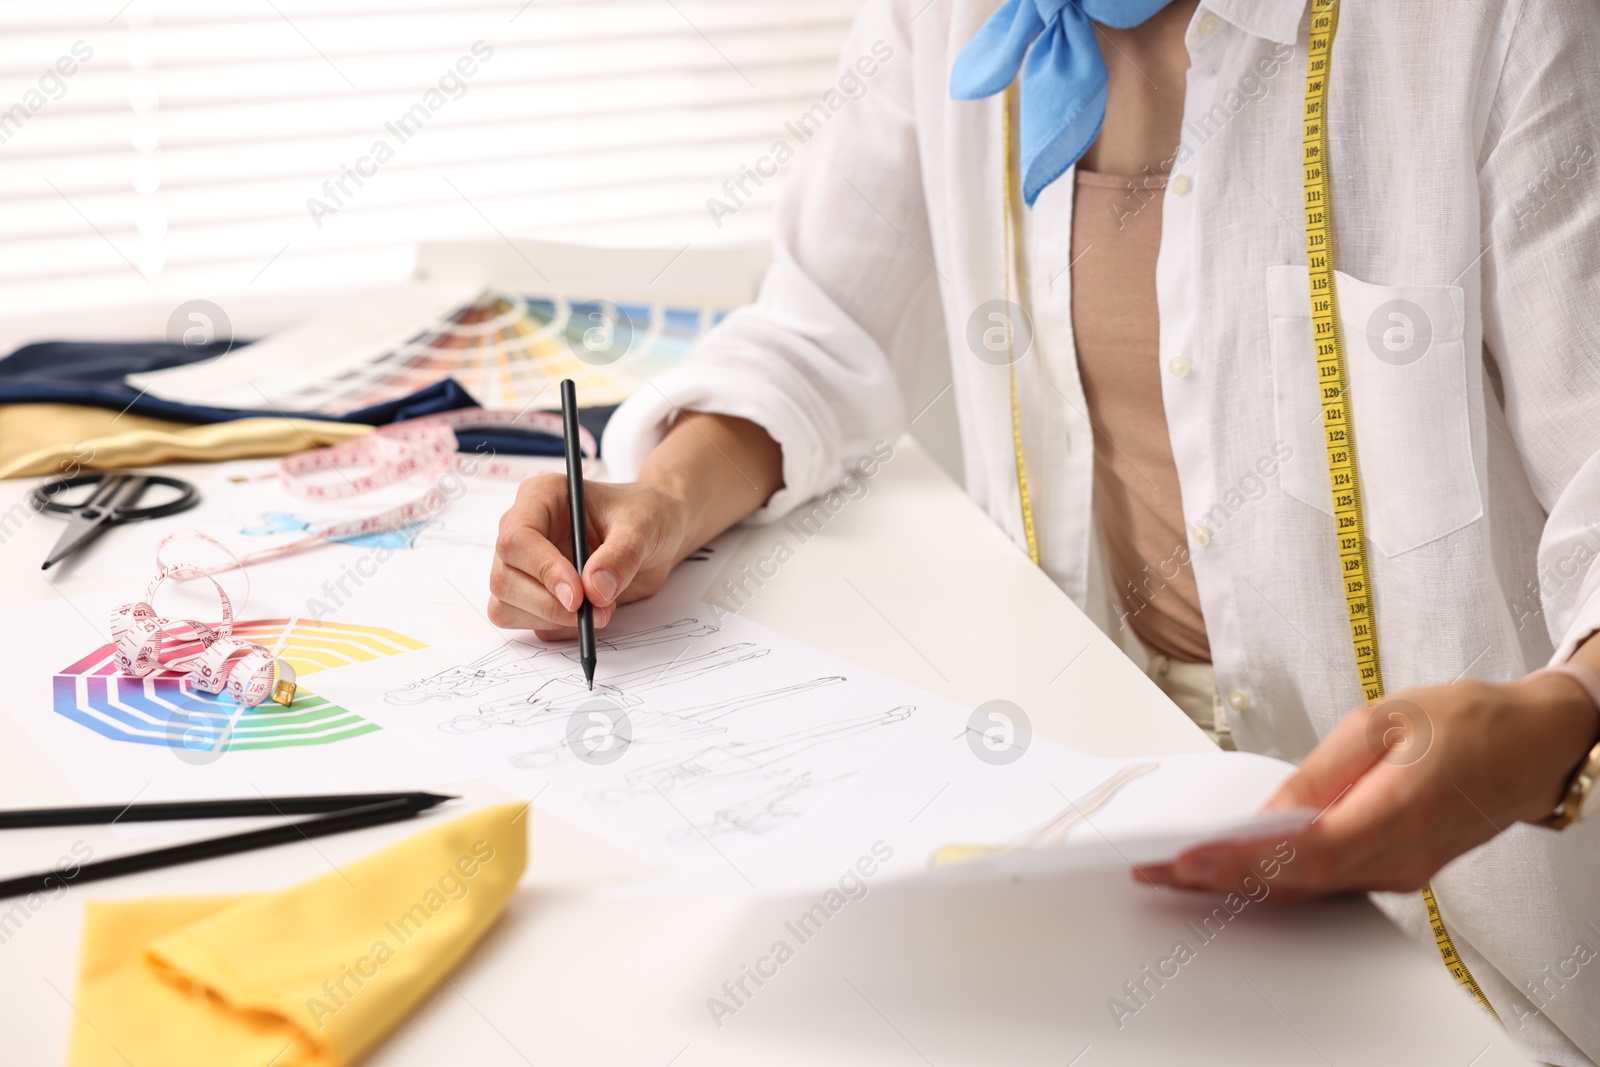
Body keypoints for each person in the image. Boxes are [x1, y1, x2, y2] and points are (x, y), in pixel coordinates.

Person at [491, 1, 1600, 1060]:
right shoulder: (953, 17)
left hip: (1479, 904)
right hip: (1105, 834)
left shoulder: (1494, 25)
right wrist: (657, 500)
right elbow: (819, 326)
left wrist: (1555, 724)